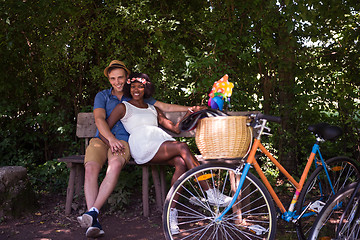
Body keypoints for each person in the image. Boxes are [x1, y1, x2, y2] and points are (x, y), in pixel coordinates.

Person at [77, 60, 202, 238]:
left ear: (127, 78)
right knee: (90, 168)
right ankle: (93, 217)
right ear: (109, 80)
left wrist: (190, 109)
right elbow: (99, 119)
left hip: (125, 142)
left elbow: (164, 107)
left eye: (120, 77)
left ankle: (92, 215)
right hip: (103, 139)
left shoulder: (136, 94)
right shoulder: (103, 96)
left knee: (115, 165)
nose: (117, 82)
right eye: (113, 78)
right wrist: (110, 139)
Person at [101, 73, 232, 235]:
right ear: (129, 88)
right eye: (133, 86)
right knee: (183, 147)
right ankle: (210, 192)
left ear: (145, 88)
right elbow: (104, 128)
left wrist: (190, 112)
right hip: (142, 143)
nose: (136, 90)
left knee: (181, 163)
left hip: (158, 140)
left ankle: (171, 213)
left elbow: (175, 129)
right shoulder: (123, 107)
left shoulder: (153, 108)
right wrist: (111, 142)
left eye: (140, 86)